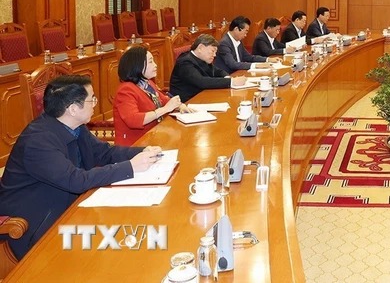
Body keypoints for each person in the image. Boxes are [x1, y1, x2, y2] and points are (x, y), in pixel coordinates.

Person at [0, 75, 160, 260]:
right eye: (92, 99)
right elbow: (75, 180)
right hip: (35, 224)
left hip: (69, 206)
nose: (95, 104)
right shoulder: (38, 141)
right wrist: (130, 167)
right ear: (73, 109)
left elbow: (104, 153)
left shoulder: (74, 126)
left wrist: (143, 152)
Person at [113, 47, 190, 146]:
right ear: (138, 66)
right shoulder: (125, 90)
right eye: (150, 62)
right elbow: (133, 120)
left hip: (154, 137)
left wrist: (180, 106)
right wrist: (165, 109)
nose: (155, 65)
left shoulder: (147, 83)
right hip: (134, 145)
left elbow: (163, 100)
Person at [170, 34, 246, 102]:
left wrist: (227, 77)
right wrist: (231, 82)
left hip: (202, 97)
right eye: (212, 51)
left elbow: (218, 71)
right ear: (200, 48)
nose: (215, 55)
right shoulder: (185, 62)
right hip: (187, 103)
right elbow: (202, 81)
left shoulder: (202, 58)